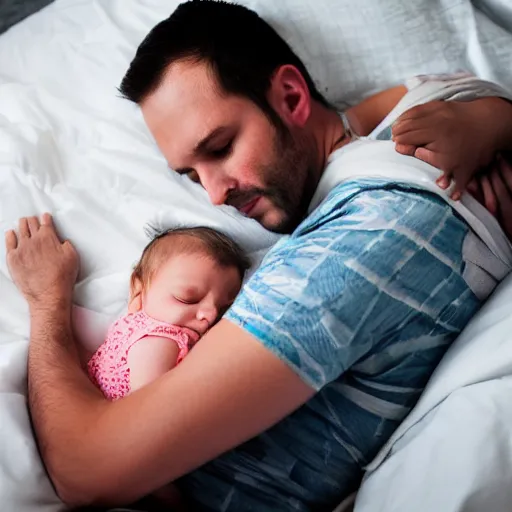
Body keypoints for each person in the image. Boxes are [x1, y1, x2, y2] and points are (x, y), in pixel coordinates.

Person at [5, 2, 512, 511]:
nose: (214, 195)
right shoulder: (408, 139)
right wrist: (493, 115)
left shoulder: (346, 253)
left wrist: (47, 301)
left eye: (221, 147)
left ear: (291, 96)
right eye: (191, 174)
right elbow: (436, 90)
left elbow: (86, 469)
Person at [87, 226, 248, 401]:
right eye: (188, 298)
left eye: (223, 309)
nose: (210, 314)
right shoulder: (160, 341)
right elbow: (148, 408)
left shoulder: (130, 327)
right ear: (138, 289)